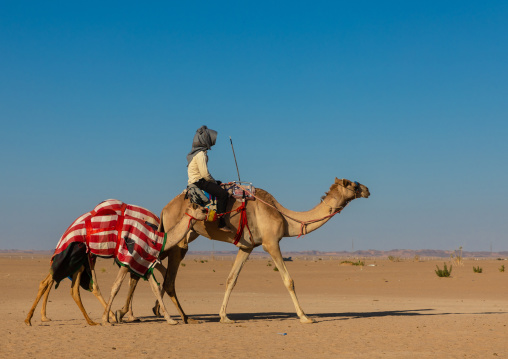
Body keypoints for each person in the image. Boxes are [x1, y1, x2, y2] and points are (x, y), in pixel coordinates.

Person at [187, 125, 233, 233]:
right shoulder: (200, 155)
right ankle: (221, 223)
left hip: (197, 181)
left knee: (218, 184)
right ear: (205, 140)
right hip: (200, 182)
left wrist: (214, 182)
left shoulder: (196, 154)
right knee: (223, 194)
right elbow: (205, 174)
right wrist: (214, 182)